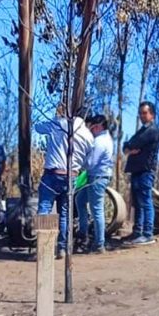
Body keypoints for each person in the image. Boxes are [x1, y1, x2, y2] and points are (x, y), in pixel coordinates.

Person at [35, 105, 93, 258]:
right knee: (65, 213)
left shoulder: (59, 124)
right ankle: (62, 247)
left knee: (45, 208)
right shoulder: (88, 136)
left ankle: (43, 248)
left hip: (53, 174)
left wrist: (56, 118)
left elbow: (38, 128)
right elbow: (87, 163)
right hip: (72, 176)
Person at [123, 101, 159, 246]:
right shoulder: (142, 130)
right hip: (137, 170)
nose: (142, 116)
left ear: (152, 114)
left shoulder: (152, 131)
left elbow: (133, 144)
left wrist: (131, 148)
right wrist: (129, 148)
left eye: (145, 113)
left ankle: (147, 234)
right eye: (140, 113)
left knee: (146, 202)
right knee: (137, 204)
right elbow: (127, 144)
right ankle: (137, 232)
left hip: (146, 171)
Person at [75, 114, 115, 254]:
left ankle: (99, 244)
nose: (90, 130)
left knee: (96, 209)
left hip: (97, 176)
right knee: (79, 200)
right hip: (96, 176)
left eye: (91, 127)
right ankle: (83, 232)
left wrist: (79, 163)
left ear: (97, 126)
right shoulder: (106, 139)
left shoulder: (99, 142)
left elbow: (90, 163)